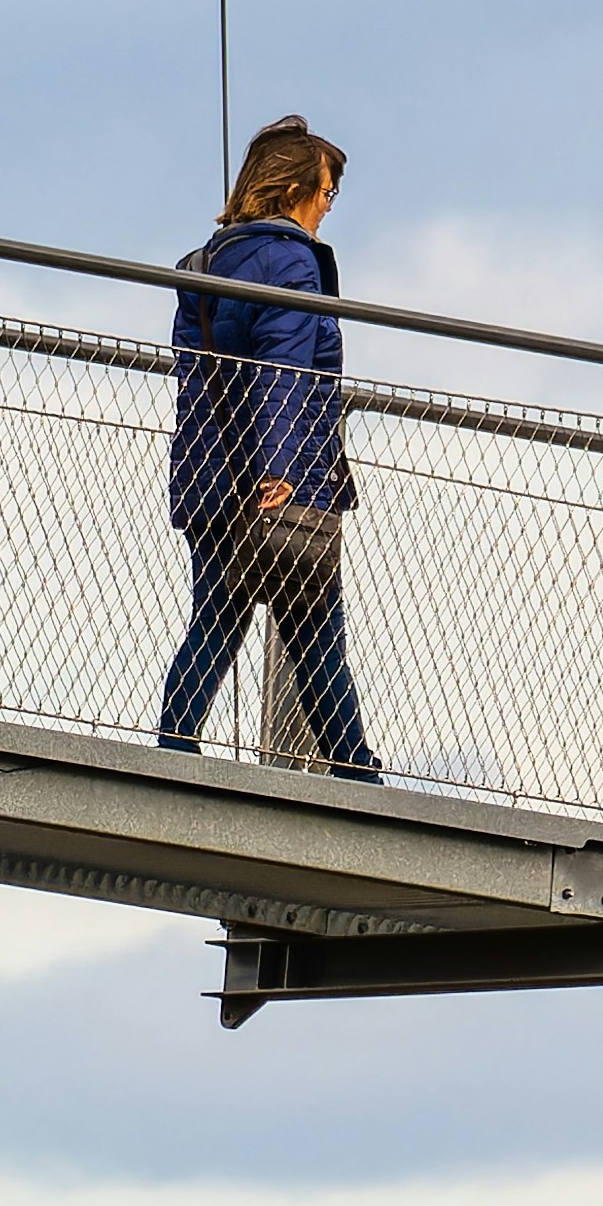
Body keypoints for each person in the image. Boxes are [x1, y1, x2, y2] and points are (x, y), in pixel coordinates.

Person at [156, 115, 374, 771]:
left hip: (207, 474)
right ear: (296, 190)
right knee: (314, 633)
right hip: (280, 482)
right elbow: (286, 374)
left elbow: (202, 377)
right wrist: (278, 472)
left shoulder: (207, 262)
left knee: (217, 622)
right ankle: (359, 773)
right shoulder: (293, 262)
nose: (328, 208)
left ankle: (172, 749)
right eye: (328, 192)